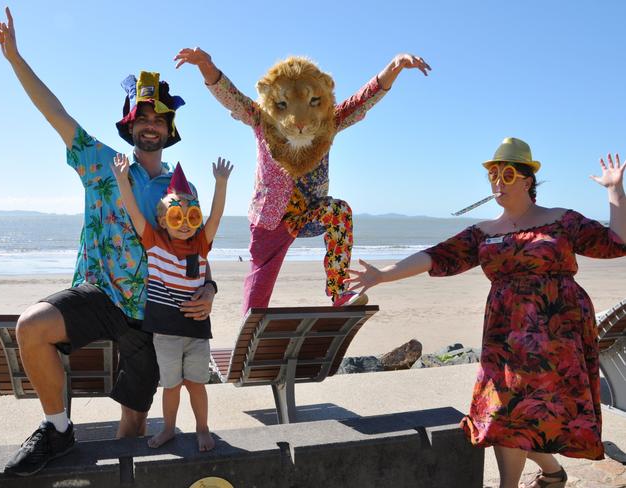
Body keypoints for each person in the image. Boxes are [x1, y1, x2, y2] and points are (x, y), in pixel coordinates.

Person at [0, 9, 217, 476]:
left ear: (169, 130)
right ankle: (57, 430)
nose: (150, 125)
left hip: (155, 312)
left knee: (133, 417)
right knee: (31, 326)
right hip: (101, 294)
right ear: (130, 127)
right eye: (142, 118)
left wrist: (210, 290)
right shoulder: (102, 164)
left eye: (158, 119)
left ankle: (118, 475)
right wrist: (14, 57)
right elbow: (56, 113)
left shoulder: (182, 188)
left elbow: (195, 252)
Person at [346, 138, 626, 488]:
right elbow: (436, 255)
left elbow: (617, 243)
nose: (498, 182)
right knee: (502, 411)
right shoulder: (484, 232)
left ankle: (537, 478)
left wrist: (615, 190)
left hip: (557, 334)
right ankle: (551, 475)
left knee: (533, 411)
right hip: (506, 335)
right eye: (493, 175)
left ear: (527, 180)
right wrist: (384, 275)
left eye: (507, 174)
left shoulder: (561, 220)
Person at [173, 47, 430, 314]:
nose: (298, 122)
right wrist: (206, 65)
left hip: (308, 213)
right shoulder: (262, 119)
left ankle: (339, 290)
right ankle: (248, 332)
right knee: (260, 279)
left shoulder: (328, 122)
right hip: (269, 217)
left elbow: (362, 100)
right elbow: (230, 96)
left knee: (338, 212)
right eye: (284, 104)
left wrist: (395, 66)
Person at [111, 156, 232, 451]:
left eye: (192, 218)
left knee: (197, 385)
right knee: (171, 386)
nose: (184, 225)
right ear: (164, 220)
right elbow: (134, 213)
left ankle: (203, 428)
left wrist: (221, 183)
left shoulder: (201, 245)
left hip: (196, 333)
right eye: (176, 218)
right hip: (164, 335)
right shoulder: (155, 243)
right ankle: (168, 428)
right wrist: (121, 180)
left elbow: (215, 218)